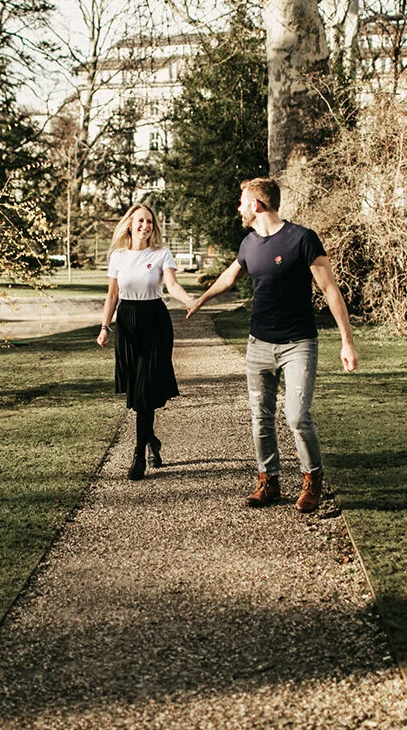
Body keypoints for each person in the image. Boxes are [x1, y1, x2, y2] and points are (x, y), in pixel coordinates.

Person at [187, 177, 358, 512]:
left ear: (256, 204)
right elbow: (230, 275)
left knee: (297, 416)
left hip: (299, 344)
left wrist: (347, 342)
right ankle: (269, 481)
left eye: (241, 202)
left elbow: (330, 289)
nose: (238, 208)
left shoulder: (302, 239)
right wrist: (202, 299)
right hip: (259, 345)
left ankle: (312, 481)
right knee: (260, 416)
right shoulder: (249, 243)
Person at [97, 204, 196, 480]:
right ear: (130, 224)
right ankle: (152, 440)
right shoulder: (118, 256)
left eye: (150, 221)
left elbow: (172, 286)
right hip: (127, 322)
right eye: (140, 221)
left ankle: (138, 453)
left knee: (145, 391)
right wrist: (105, 327)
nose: (145, 226)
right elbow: (112, 296)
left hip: (155, 322)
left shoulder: (162, 253)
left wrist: (191, 301)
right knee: (137, 394)